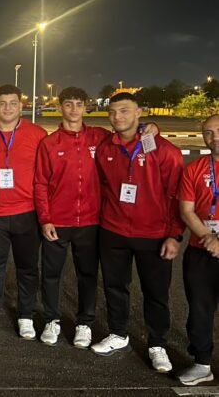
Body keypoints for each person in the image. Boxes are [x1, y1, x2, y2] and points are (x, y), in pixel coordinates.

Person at [91, 92, 183, 374]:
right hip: (113, 230)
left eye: (124, 110)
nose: (117, 117)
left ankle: (157, 343)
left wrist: (175, 234)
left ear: (139, 112)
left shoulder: (164, 150)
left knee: (155, 292)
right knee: (114, 287)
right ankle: (118, 333)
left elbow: (176, 195)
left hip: (154, 234)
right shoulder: (105, 148)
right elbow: (102, 186)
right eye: (113, 112)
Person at [33, 87, 108, 348]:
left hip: (90, 221)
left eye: (78, 104)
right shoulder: (49, 143)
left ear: (86, 107)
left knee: (87, 274)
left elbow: (130, 136)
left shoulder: (100, 137)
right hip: (57, 222)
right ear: (60, 107)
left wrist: (149, 127)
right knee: (51, 274)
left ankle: (84, 323)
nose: (74, 109)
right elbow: (40, 183)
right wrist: (45, 219)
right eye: (68, 104)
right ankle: (51, 319)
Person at [0, 85, 47, 338]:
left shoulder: (37, 134)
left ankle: (26, 315)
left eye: (13, 103)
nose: (7, 108)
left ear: (21, 105)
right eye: (2, 103)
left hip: (27, 211)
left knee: (27, 267)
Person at [176, 114, 219, 386]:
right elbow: (186, 210)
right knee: (199, 311)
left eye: (218, 130)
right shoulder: (194, 168)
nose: (214, 137)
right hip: (200, 250)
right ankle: (202, 364)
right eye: (208, 133)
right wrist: (208, 237)